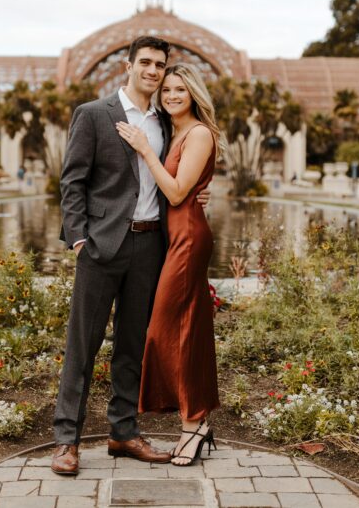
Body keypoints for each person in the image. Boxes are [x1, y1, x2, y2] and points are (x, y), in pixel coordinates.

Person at [51, 36, 210, 476]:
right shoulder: (94, 114)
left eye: (160, 65)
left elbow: (177, 174)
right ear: (128, 65)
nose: (153, 71)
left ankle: (123, 431)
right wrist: (79, 238)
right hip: (102, 245)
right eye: (145, 62)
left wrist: (200, 193)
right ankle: (67, 441)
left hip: (150, 245)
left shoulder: (166, 121)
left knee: (131, 346)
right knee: (82, 346)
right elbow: (72, 182)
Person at [116, 63, 221, 466]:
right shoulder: (176, 131)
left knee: (165, 331)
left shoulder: (197, 133)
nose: (172, 95)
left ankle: (193, 425)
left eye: (180, 89)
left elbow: (177, 193)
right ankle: (195, 423)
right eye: (168, 89)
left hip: (189, 239)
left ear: (193, 93)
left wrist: (144, 148)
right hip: (174, 236)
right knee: (184, 331)